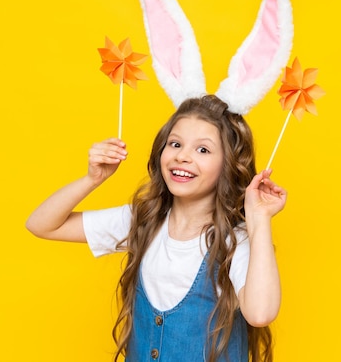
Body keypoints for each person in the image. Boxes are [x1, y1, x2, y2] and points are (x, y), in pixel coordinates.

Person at [26, 95, 287, 361]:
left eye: (203, 150)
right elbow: (41, 225)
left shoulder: (235, 239)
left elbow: (260, 314)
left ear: (228, 165)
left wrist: (259, 219)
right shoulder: (143, 220)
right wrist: (93, 179)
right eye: (175, 144)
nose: (183, 156)